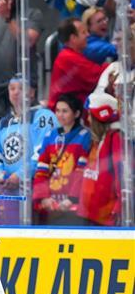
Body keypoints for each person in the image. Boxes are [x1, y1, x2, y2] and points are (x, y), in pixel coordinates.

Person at [0, 76, 58, 224]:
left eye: (21, 88)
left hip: (37, 190)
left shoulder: (43, 116)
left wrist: (19, 176)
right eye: (12, 89)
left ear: (32, 92)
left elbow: (43, 153)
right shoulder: (3, 123)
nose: (15, 93)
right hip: (9, 191)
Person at [33, 94, 92, 225]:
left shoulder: (85, 136)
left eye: (65, 111)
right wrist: (43, 198)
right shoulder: (50, 135)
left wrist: (72, 199)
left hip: (73, 208)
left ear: (76, 114)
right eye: (58, 111)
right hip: (50, 206)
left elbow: (82, 172)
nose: (60, 115)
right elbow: (41, 169)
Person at [78, 92, 124, 226]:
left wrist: (119, 207)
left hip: (106, 220)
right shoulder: (94, 141)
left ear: (99, 118)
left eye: (91, 116)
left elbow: (122, 178)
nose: (88, 120)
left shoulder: (116, 139)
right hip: (87, 215)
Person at [48, 18, 107, 108]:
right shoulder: (68, 58)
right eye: (83, 32)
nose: (88, 35)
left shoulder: (70, 54)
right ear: (73, 38)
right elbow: (98, 74)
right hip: (66, 113)